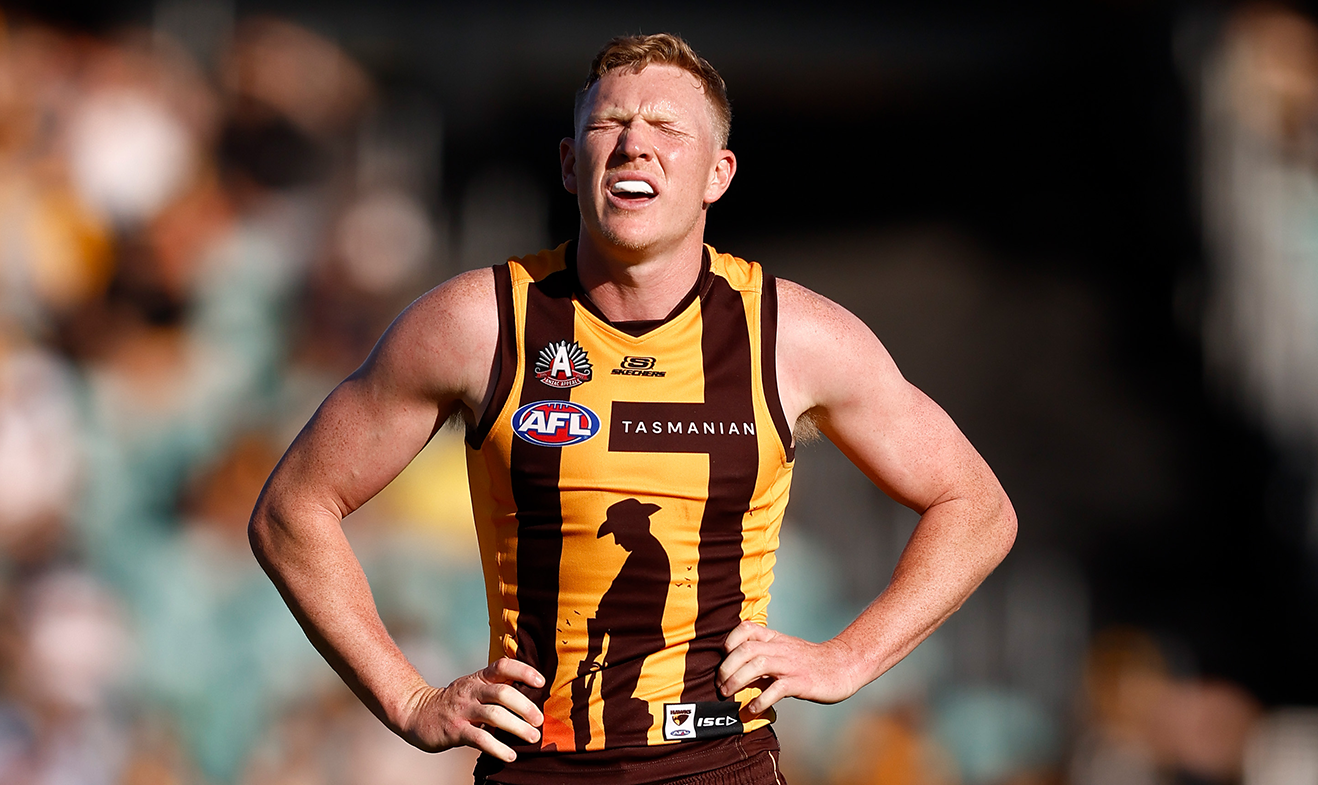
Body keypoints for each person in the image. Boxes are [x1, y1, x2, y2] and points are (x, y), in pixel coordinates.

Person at [249, 33, 1017, 785]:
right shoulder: (478, 324)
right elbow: (291, 511)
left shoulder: (794, 337)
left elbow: (977, 508)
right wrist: (408, 699)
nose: (634, 145)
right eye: (609, 124)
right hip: (536, 770)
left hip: (716, 764)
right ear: (568, 163)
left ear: (718, 173)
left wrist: (847, 657)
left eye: (666, 127)